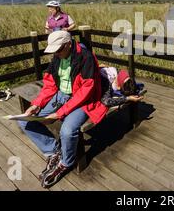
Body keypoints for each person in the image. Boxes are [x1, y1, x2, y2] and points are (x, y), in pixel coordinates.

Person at [18, 30, 107, 188]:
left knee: (67, 131)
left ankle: (66, 162)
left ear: (68, 44)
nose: (56, 54)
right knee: (24, 121)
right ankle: (53, 150)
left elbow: (86, 91)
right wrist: (36, 104)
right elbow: (50, 85)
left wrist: (59, 113)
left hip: (82, 101)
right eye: (54, 51)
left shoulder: (86, 58)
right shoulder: (57, 57)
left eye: (58, 50)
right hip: (61, 96)